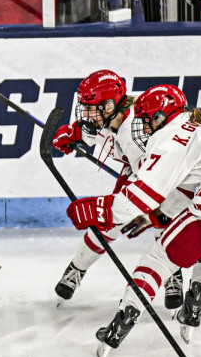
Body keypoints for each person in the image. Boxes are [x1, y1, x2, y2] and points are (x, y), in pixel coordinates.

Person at [66, 85, 201, 357]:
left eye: (144, 120)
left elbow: (137, 198)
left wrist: (96, 209)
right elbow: (187, 189)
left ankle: (121, 323)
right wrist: (156, 215)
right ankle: (197, 299)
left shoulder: (171, 138)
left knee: (158, 258)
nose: (142, 127)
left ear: (158, 117)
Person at [49, 71, 188, 310]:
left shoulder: (134, 133)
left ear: (111, 105)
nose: (87, 115)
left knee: (161, 218)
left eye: (91, 108)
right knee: (107, 223)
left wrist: (150, 211)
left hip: (164, 175)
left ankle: (171, 272)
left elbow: (157, 181)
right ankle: (77, 268)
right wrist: (74, 134)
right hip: (139, 170)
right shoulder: (110, 117)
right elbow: (96, 131)